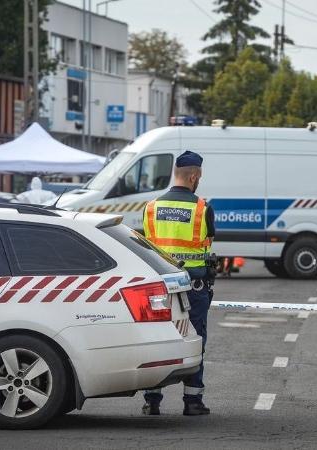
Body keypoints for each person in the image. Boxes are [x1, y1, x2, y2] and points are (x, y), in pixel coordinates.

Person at [141, 150, 215, 416]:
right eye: (199, 177)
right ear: (194, 176)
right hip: (193, 288)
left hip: (157, 288)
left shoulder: (151, 208)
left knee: (156, 341)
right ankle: (192, 401)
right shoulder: (202, 208)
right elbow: (208, 245)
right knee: (195, 341)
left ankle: (152, 401)